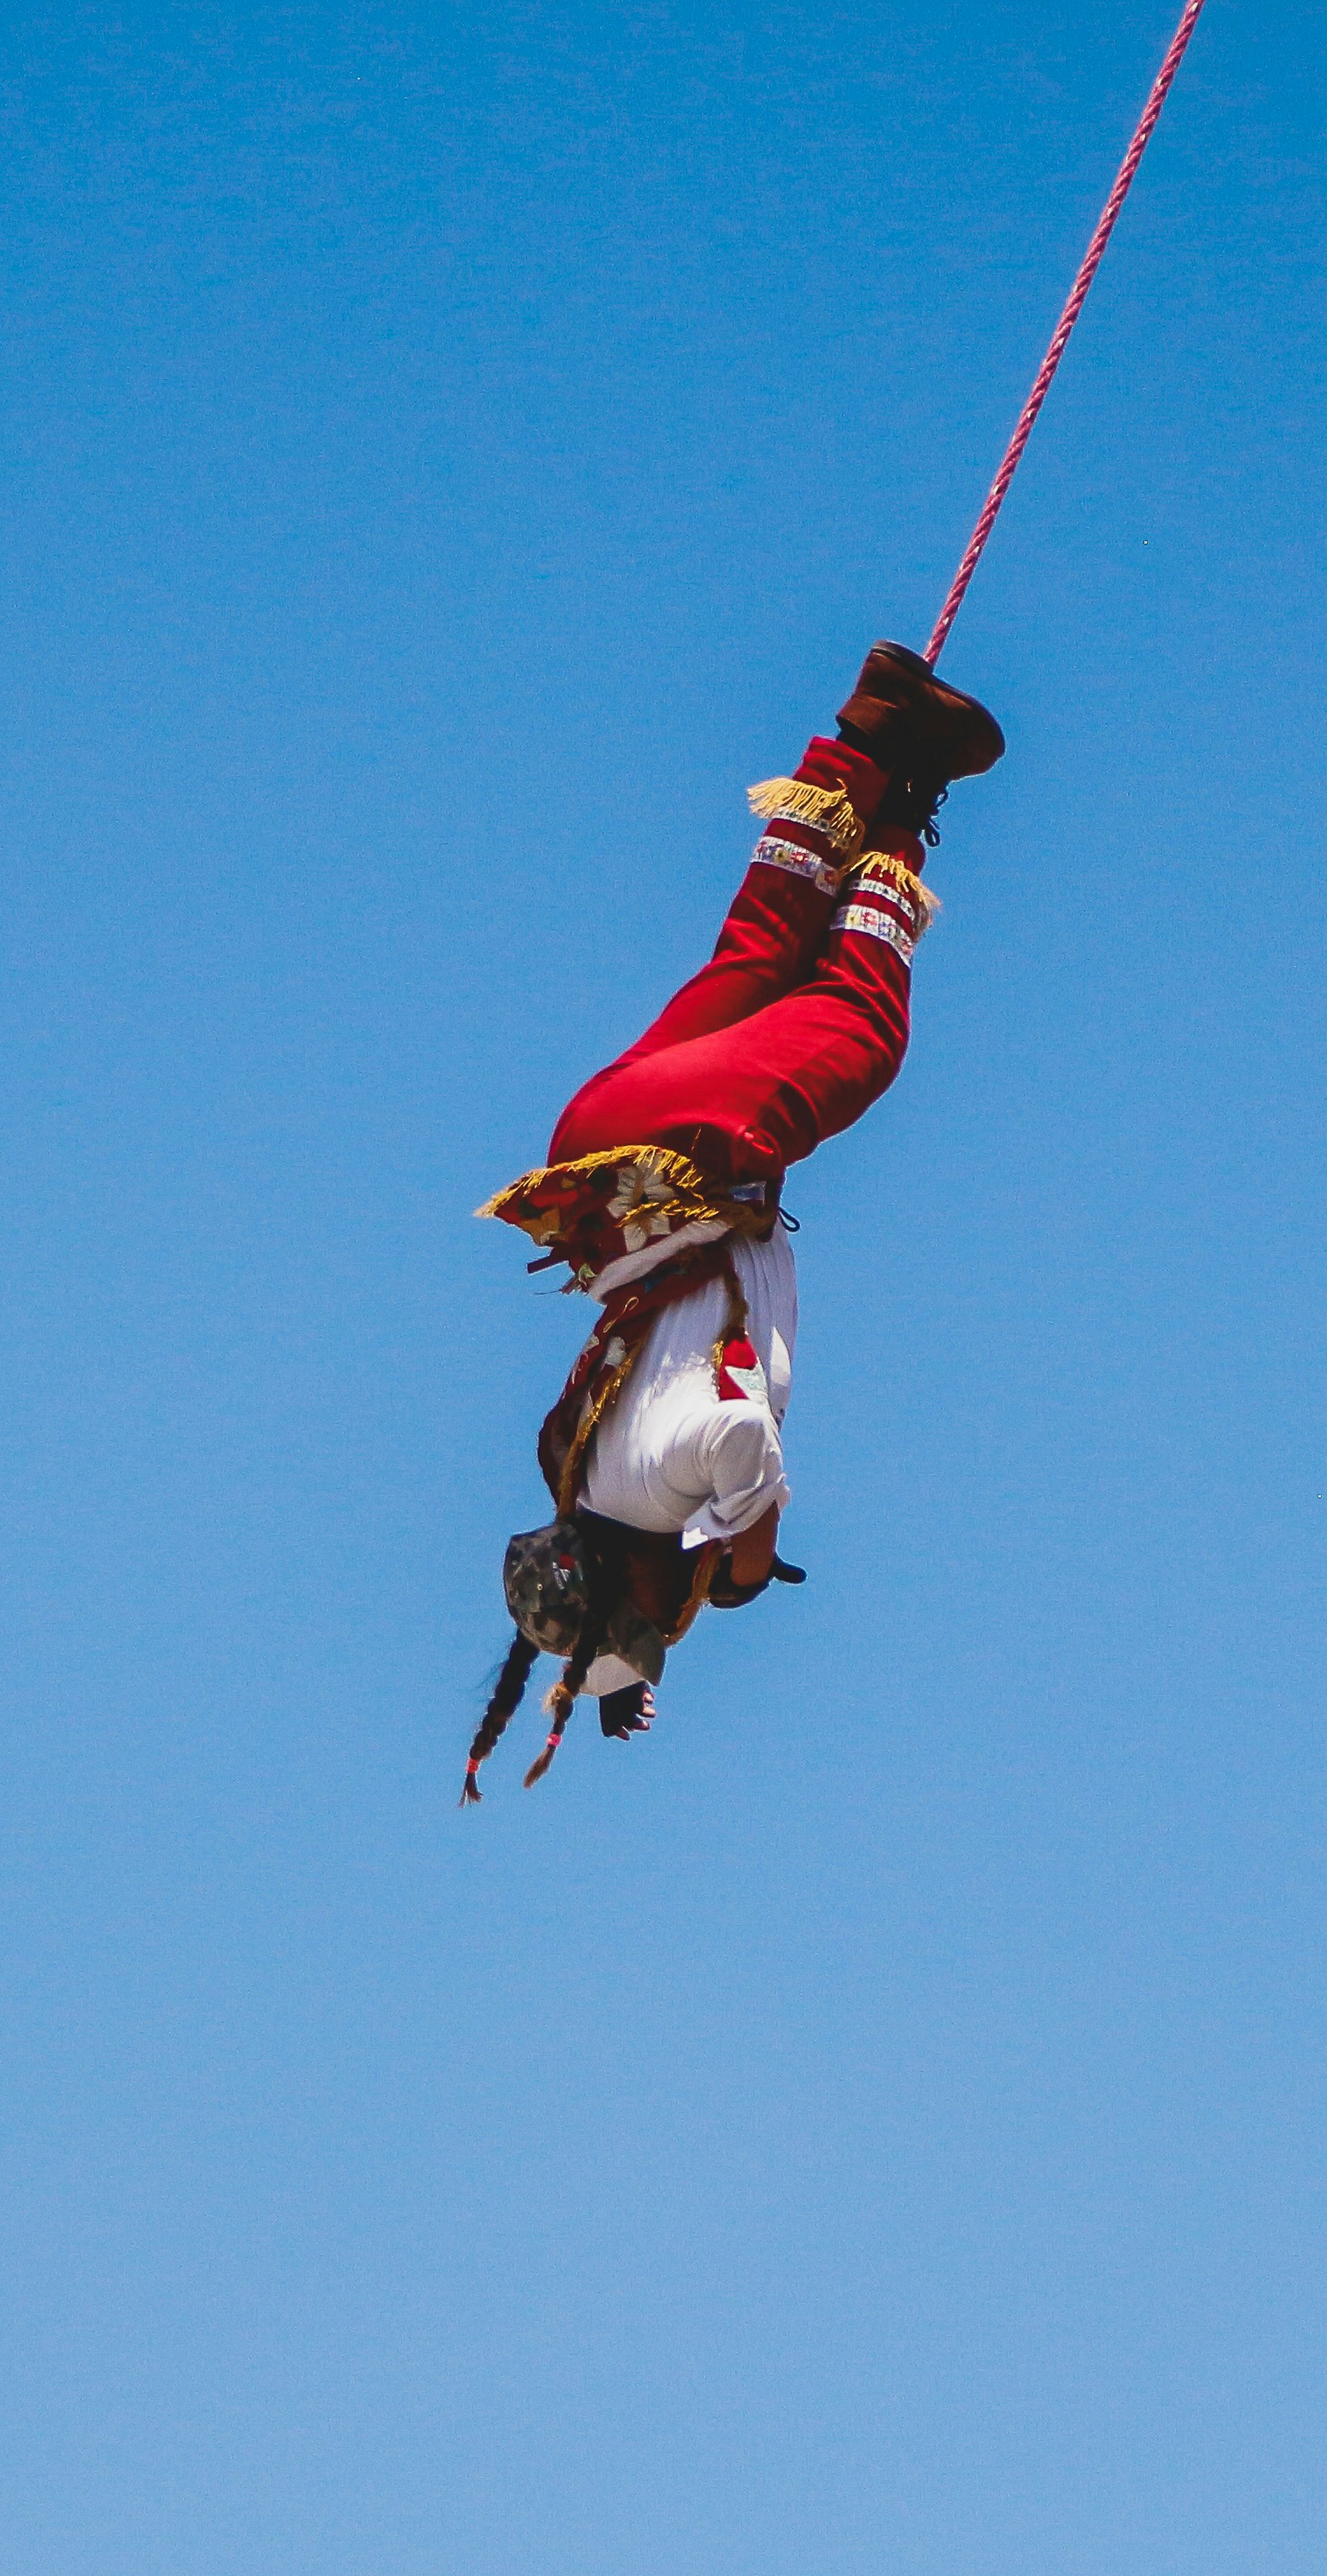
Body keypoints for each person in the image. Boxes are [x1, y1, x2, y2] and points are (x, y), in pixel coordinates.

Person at [462, 642, 1006, 1798]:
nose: (687, 1620)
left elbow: (738, 1445)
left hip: (685, 1157)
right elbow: (656, 1511)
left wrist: (747, 1557)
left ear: (635, 1583)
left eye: (667, 1624)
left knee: (861, 1034)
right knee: (762, 955)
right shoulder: (583, 1479)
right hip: (606, 1145)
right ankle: (863, 741)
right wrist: (615, 1676)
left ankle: (906, 798)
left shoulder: (662, 1483)